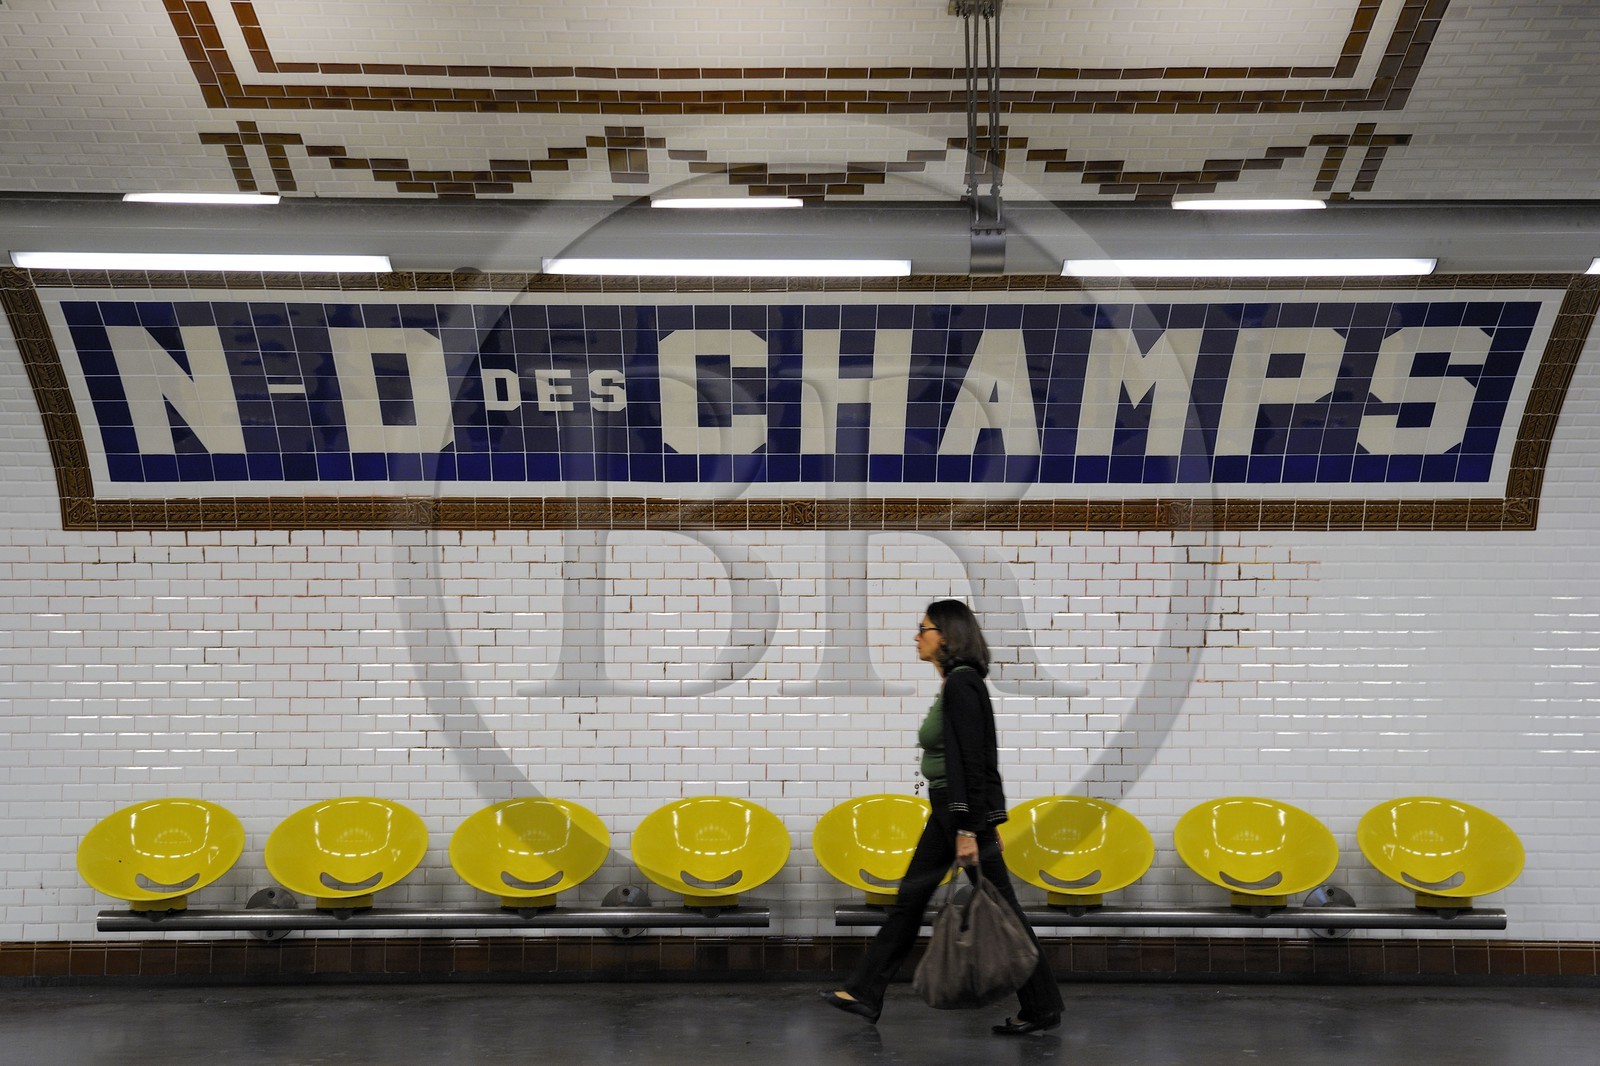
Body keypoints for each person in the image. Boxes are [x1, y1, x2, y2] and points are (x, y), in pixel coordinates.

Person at [821, 599, 1064, 1035]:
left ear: (947, 637)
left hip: (958, 814)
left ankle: (1042, 1006)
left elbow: (976, 759)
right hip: (952, 811)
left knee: (995, 907)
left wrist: (973, 827)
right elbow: (979, 756)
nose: (917, 635)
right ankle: (865, 992)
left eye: (925, 628)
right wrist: (988, 819)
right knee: (914, 898)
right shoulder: (957, 683)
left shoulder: (961, 685)